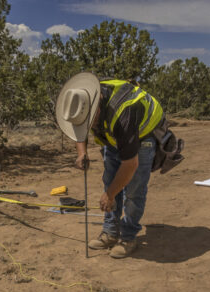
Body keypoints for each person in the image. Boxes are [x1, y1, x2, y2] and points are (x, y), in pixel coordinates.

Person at [55, 72, 183, 258]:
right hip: (115, 137)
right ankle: (110, 232)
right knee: (110, 181)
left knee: (133, 190)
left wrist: (109, 195)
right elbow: (79, 127)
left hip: (142, 136)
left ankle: (129, 237)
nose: (89, 126)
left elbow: (130, 164)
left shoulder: (124, 114)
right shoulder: (84, 98)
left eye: (89, 121)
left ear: (96, 109)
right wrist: (82, 153)